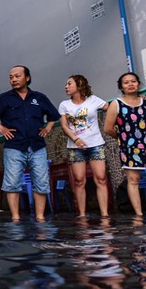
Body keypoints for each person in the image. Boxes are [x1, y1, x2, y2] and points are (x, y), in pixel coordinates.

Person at [0, 65, 59, 222]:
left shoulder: (39, 97)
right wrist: (0, 128)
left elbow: (53, 115)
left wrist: (49, 127)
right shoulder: (3, 99)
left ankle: (40, 217)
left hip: (37, 146)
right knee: (12, 183)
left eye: (17, 76)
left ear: (28, 78)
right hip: (14, 146)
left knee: (41, 181)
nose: (14, 79)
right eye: (11, 77)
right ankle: (15, 217)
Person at [104, 72, 146, 216]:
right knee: (133, 179)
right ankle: (139, 215)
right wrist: (124, 139)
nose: (130, 84)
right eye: (126, 82)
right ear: (121, 87)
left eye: (133, 81)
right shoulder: (116, 104)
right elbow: (108, 128)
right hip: (130, 147)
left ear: (138, 84)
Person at [58, 75, 110, 217]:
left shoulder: (93, 100)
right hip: (75, 147)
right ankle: (82, 215)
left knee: (100, 178)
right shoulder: (64, 105)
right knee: (79, 180)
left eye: (69, 83)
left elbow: (110, 109)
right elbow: (64, 125)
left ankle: (104, 214)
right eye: (66, 84)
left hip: (96, 145)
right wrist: (76, 140)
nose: (66, 86)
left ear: (79, 85)